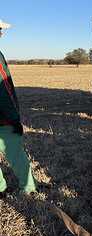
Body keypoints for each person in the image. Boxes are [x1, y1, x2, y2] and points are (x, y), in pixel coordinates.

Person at [0, 19, 50, 197]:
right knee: (16, 154)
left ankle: (1, 189)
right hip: (3, 120)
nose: (1, 33)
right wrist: (14, 119)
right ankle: (29, 187)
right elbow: (3, 91)